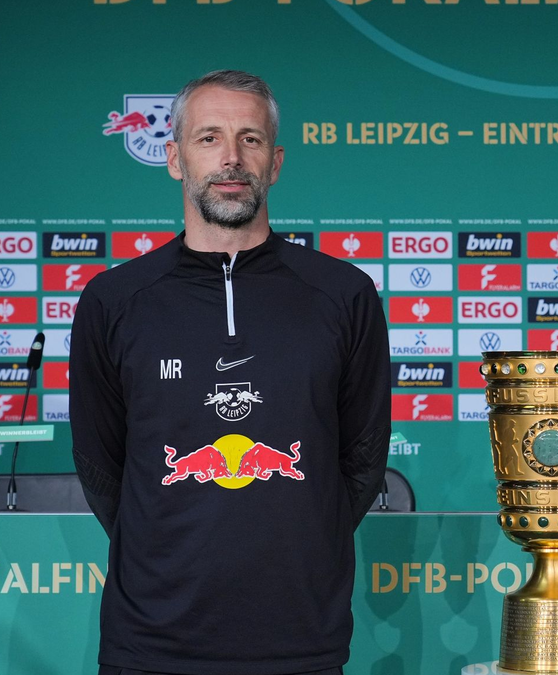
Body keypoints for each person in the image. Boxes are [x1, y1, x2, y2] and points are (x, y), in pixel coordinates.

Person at [70, 70, 391, 675]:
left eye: (251, 139)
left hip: (301, 639)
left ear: (275, 163)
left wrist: (304, 537)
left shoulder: (344, 295)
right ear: (174, 158)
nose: (232, 158)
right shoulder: (114, 299)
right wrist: (165, 543)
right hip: (151, 644)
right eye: (209, 137)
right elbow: (100, 465)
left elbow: (363, 457)